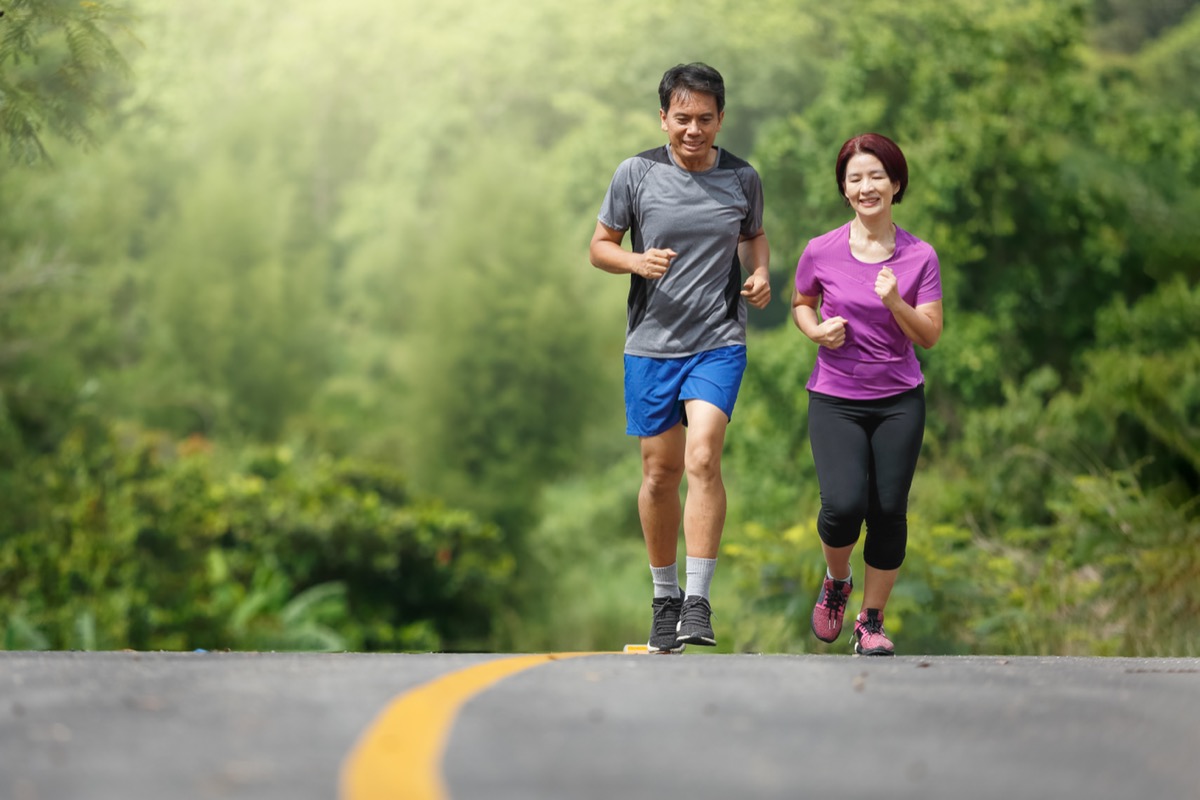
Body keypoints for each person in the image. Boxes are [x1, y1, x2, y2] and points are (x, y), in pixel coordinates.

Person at [589, 63, 771, 653]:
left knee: (702, 457)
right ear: (663, 117)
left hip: (718, 340)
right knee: (659, 473)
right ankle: (664, 598)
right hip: (650, 345)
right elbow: (599, 247)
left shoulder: (741, 177)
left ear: (721, 118)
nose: (694, 130)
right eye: (683, 118)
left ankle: (698, 600)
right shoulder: (636, 173)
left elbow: (753, 235)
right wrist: (635, 262)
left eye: (706, 119)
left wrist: (762, 272)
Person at [791, 133, 943, 656]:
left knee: (888, 510)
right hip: (835, 396)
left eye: (876, 175)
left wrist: (896, 302)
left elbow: (928, 334)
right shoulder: (821, 250)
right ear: (844, 189)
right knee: (842, 505)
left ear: (896, 183)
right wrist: (814, 332)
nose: (866, 186)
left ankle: (870, 622)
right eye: (855, 178)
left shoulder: (920, 256)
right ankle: (837, 581)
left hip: (899, 399)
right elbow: (801, 302)